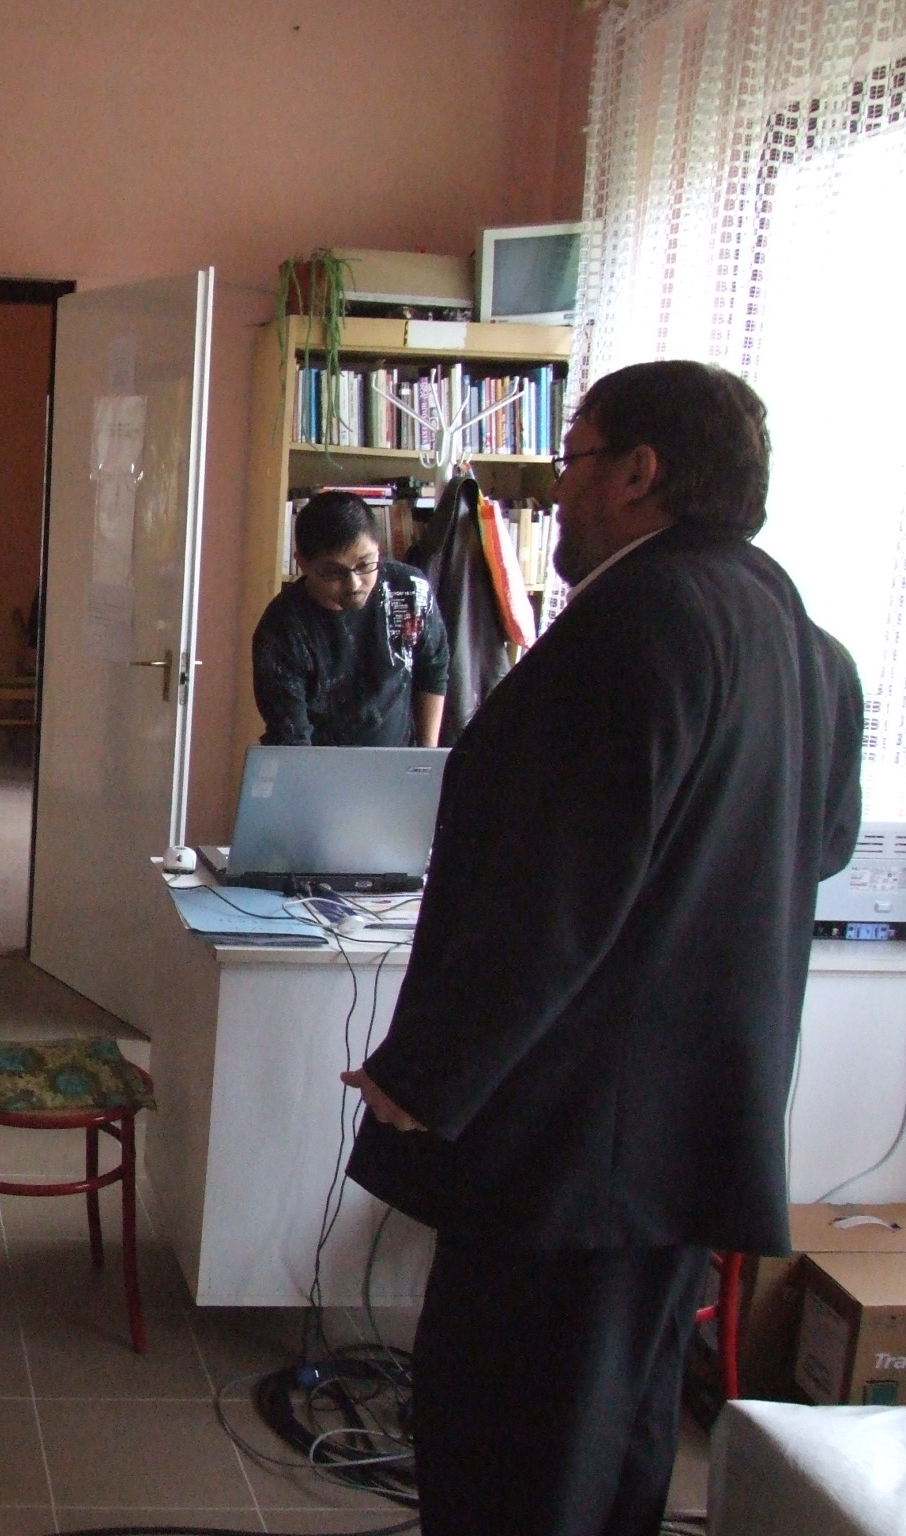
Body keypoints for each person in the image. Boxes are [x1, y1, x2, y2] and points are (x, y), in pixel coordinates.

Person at [340, 361, 864, 1536]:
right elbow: (819, 845)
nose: (554, 493)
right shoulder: (794, 628)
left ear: (639, 472)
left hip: (570, 1148)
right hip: (692, 1127)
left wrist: (423, 1076)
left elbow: (555, 892)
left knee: (510, 1449)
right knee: (614, 1437)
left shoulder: (631, 626)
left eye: (569, 460)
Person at [251, 490, 450, 747]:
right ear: (303, 564)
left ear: (378, 548)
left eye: (365, 565)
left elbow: (434, 669)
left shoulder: (409, 590)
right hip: (318, 762)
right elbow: (291, 738)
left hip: (400, 756)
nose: (354, 584)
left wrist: (425, 757)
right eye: (333, 572)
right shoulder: (282, 628)